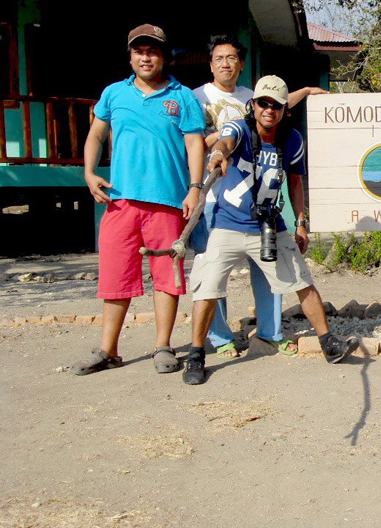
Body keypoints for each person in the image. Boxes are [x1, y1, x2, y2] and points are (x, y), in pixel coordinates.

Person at [184, 75, 356, 384]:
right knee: (207, 287)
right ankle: (196, 355)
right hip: (228, 223)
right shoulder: (240, 127)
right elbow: (225, 141)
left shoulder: (291, 140)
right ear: (253, 105)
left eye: (276, 105)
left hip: (268, 223)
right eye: (263, 103)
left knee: (302, 280)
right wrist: (220, 154)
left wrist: (301, 223)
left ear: (284, 109)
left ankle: (329, 344)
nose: (269, 110)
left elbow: (294, 183)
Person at [72, 24, 205, 376]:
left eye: (153, 51)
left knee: (167, 275)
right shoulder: (114, 94)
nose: (146, 57)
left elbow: (195, 143)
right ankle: (108, 350)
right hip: (121, 200)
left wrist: (194, 187)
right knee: (115, 275)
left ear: (164, 56)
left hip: (168, 200)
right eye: (139, 51)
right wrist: (88, 172)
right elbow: (96, 134)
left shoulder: (183, 96)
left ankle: (163, 346)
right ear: (130, 56)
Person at [191, 34, 328, 358]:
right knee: (213, 279)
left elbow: (279, 100)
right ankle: (219, 339)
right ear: (211, 64)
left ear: (241, 63)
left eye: (232, 58)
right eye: (219, 58)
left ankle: (270, 332)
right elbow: (195, 140)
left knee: (269, 272)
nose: (226, 63)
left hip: (260, 205)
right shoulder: (196, 97)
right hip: (215, 199)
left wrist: (307, 91)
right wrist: (218, 151)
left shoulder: (255, 97)